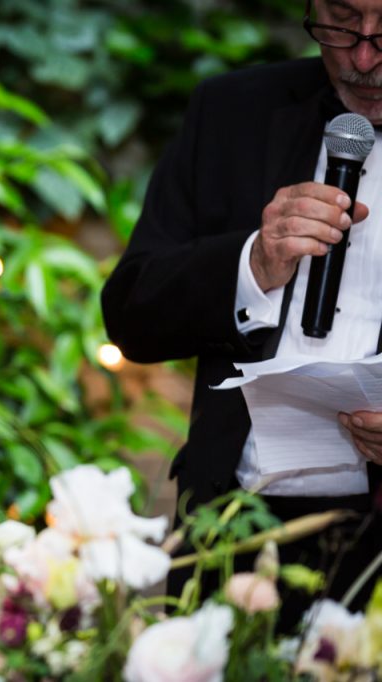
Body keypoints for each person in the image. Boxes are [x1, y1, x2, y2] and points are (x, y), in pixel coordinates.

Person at [101, 0, 382, 625]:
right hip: (233, 529)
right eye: (340, 21)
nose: (364, 57)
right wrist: (252, 265)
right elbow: (130, 314)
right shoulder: (235, 111)